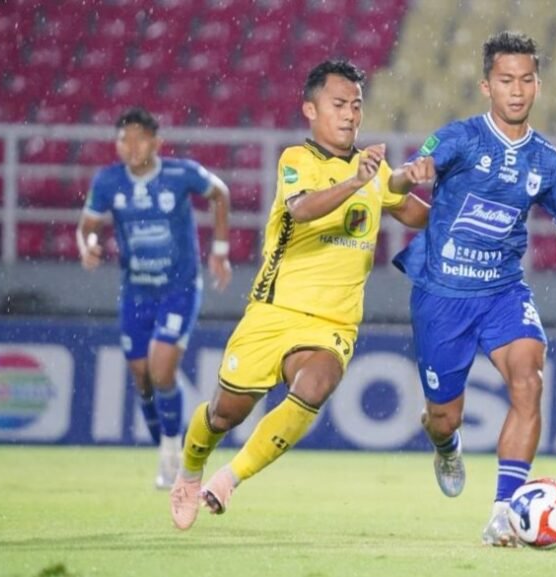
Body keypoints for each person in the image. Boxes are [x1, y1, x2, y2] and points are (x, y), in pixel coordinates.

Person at [169, 59, 432, 530]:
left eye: (356, 105)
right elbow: (304, 209)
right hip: (275, 311)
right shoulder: (297, 159)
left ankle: (229, 479)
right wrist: (356, 180)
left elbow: (410, 212)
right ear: (310, 109)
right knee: (224, 413)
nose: (350, 115)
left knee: (316, 383)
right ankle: (190, 471)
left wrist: (461, 209)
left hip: (333, 322)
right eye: (338, 105)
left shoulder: (376, 168)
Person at [391, 31, 556, 546]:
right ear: (486, 85)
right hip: (442, 295)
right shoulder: (457, 139)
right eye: (506, 80)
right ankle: (446, 446)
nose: (517, 90)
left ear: (538, 84)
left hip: (503, 293)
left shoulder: (550, 164)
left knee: (530, 379)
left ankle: (504, 512)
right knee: (444, 416)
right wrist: (411, 175)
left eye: (526, 80)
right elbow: (400, 182)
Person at [77, 107, 233, 490]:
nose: (131, 145)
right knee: (142, 378)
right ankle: (163, 447)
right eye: (123, 138)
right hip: (136, 291)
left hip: (178, 289)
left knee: (161, 370)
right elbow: (87, 228)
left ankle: (172, 453)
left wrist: (220, 249)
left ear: (156, 142)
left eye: (139, 137)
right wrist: (89, 246)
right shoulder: (109, 181)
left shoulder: (181, 174)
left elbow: (221, 193)